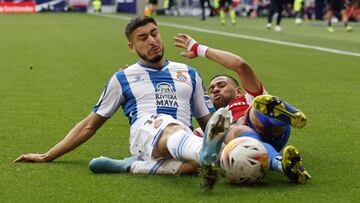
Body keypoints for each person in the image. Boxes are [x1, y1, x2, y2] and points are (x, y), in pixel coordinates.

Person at [13, 16, 232, 189]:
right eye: (143, 38)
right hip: (145, 132)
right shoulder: (122, 78)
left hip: (181, 140)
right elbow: (90, 124)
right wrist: (49, 154)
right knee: (166, 125)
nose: (152, 41)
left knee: (195, 164)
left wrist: (230, 152)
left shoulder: (189, 73)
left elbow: (209, 122)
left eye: (154, 34)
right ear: (131, 46)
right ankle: (203, 153)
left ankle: (134, 166)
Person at [98, 33, 311, 184]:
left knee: (257, 108)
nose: (215, 89)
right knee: (229, 135)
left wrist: (199, 49)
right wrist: (140, 76)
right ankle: (282, 165)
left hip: (268, 129)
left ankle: (286, 115)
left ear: (237, 90)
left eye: (222, 84)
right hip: (247, 148)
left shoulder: (245, 98)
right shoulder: (209, 129)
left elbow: (241, 65)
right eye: (211, 89)